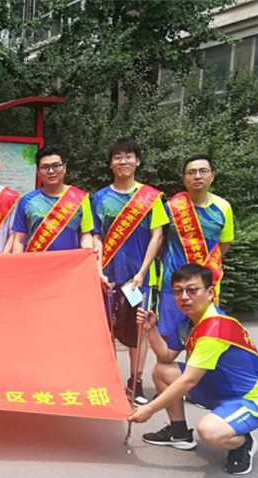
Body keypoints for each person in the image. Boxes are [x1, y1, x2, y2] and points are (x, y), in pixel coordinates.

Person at [129, 264, 258, 475]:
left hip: (250, 399)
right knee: (162, 370)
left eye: (192, 290)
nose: (184, 297)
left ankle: (242, 443)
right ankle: (179, 433)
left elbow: (189, 380)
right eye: (178, 291)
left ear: (210, 293)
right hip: (216, 387)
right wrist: (151, 330)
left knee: (209, 432)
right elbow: (166, 356)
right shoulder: (188, 321)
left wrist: (149, 410)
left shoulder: (215, 328)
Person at [92, 138, 167, 402]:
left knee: (140, 329)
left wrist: (142, 272)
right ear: (110, 163)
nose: (123, 161)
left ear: (138, 161)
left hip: (139, 278)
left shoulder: (151, 197)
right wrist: (99, 270)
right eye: (117, 157)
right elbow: (96, 236)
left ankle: (135, 383)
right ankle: (110, 382)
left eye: (128, 156)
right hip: (109, 275)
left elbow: (157, 236)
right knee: (107, 330)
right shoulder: (100, 198)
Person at [158, 155, 234, 352]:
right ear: (184, 179)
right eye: (191, 172)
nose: (197, 176)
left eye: (203, 171)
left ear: (212, 176)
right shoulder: (170, 208)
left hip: (205, 285)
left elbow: (224, 244)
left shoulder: (223, 207)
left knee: (202, 339)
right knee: (168, 342)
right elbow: (159, 240)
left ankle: (194, 373)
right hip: (172, 284)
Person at [10, 145, 95, 254]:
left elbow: (85, 234)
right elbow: (19, 240)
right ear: (38, 172)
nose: (51, 171)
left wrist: (89, 254)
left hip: (69, 262)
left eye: (56, 166)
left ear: (64, 168)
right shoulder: (27, 201)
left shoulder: (80, 198)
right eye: (45, 167)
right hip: (35, 262)